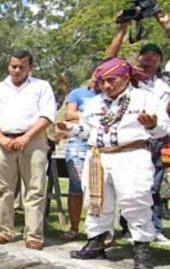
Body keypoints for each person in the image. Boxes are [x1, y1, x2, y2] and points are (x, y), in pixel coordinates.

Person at [61, 57, 169, 269]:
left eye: (112, 80)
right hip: (99, 157)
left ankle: (142, 247)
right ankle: (96, 241)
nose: (106, 86)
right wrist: (70, 128)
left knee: (135, 200)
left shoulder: (145, 98)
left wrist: (153, 124)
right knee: (96, 202)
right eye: (102, 81)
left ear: (126, 77)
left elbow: (164, 129)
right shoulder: (94, 103)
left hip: (131, 155)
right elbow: (87, 131)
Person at [0, 49, 56, 250]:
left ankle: (33, 234)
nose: (16, 70)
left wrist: (26, 137)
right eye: (13, 66)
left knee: (34, 188)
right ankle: (4, 230)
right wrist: (0, 137)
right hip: (3, 140)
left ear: (30, 67)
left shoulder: (41, 87)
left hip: (33, 141)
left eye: (21, 67)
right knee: (3, 188)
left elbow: (48, 115)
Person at [106, 19, 170, 244]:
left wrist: (164, 22)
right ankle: (128, 228)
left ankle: (154, 227)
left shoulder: (165, 83)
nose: (148, 58)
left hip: (159, 138)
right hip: (131, 140)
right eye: (145, 54)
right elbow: (109, 62)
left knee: (152, 185)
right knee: (128, 187)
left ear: (160, 59)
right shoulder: (130, 80)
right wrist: (122, 30)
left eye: (154, 55)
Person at [58, 80, 97, 241]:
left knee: (99, 188)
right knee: (76, 186)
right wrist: (91, 118)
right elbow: (68, 115)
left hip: (99, 143)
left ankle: (98, 232)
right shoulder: (78, 93)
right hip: (77, 143)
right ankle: (74, 228)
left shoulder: (109, 96)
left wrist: (80, 117)